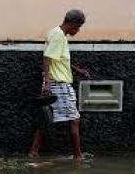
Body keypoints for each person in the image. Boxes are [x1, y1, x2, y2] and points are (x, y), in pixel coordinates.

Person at [29, 9, 90, 162]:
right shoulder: (57, 35)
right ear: (72, 24)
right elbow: (47, 58)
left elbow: (59, 59)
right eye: (78, 27)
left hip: (57, 83)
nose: (78, 30)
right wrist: (48, 83)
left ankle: (34, 151)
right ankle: (78, 156)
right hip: (59, 84)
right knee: (74, 120)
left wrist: (77, 70)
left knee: (47, 118)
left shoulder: (58, 34)